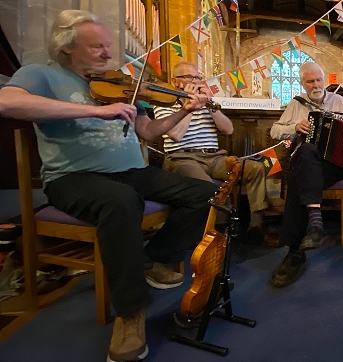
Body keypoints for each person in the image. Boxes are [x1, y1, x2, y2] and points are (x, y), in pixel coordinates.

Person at [0, 10, 219, 362]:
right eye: (97, 47)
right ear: (69, 47)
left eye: (108, 46)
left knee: (208, 193)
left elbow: (149, 132)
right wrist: (95, 111)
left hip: (132, 171)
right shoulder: (40, 74)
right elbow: (7, 103)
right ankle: (130, 314)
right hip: (74, 178)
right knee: (120, 200)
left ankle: (154, 258)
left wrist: (185, 110)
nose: (107, 54)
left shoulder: (121, 83)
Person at [268, 62, 343, 288]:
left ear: (324, 80)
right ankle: (314, 227)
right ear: (303, 84)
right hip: (308, 165)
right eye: (310, 81)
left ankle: (295, 251)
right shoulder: (297, 105)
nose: (316, 85)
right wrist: (293, 128)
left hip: (335, 166)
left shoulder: (339, 101)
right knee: (306, 154)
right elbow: (274, 130)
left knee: (300, 176)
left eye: (319, 80)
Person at [154, 61, 273, 240]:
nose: (195, 81)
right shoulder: (164, 103)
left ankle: (256, 226)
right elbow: (176, 135)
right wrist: (189, 108)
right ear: (175, 81)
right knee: (207, 188)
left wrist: (210, 105)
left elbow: (229, 130)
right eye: (189, 77)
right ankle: (216, 233)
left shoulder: (207, 104)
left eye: (198, 77)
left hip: (214, 157)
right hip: (182, 158)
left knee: (255, 169)